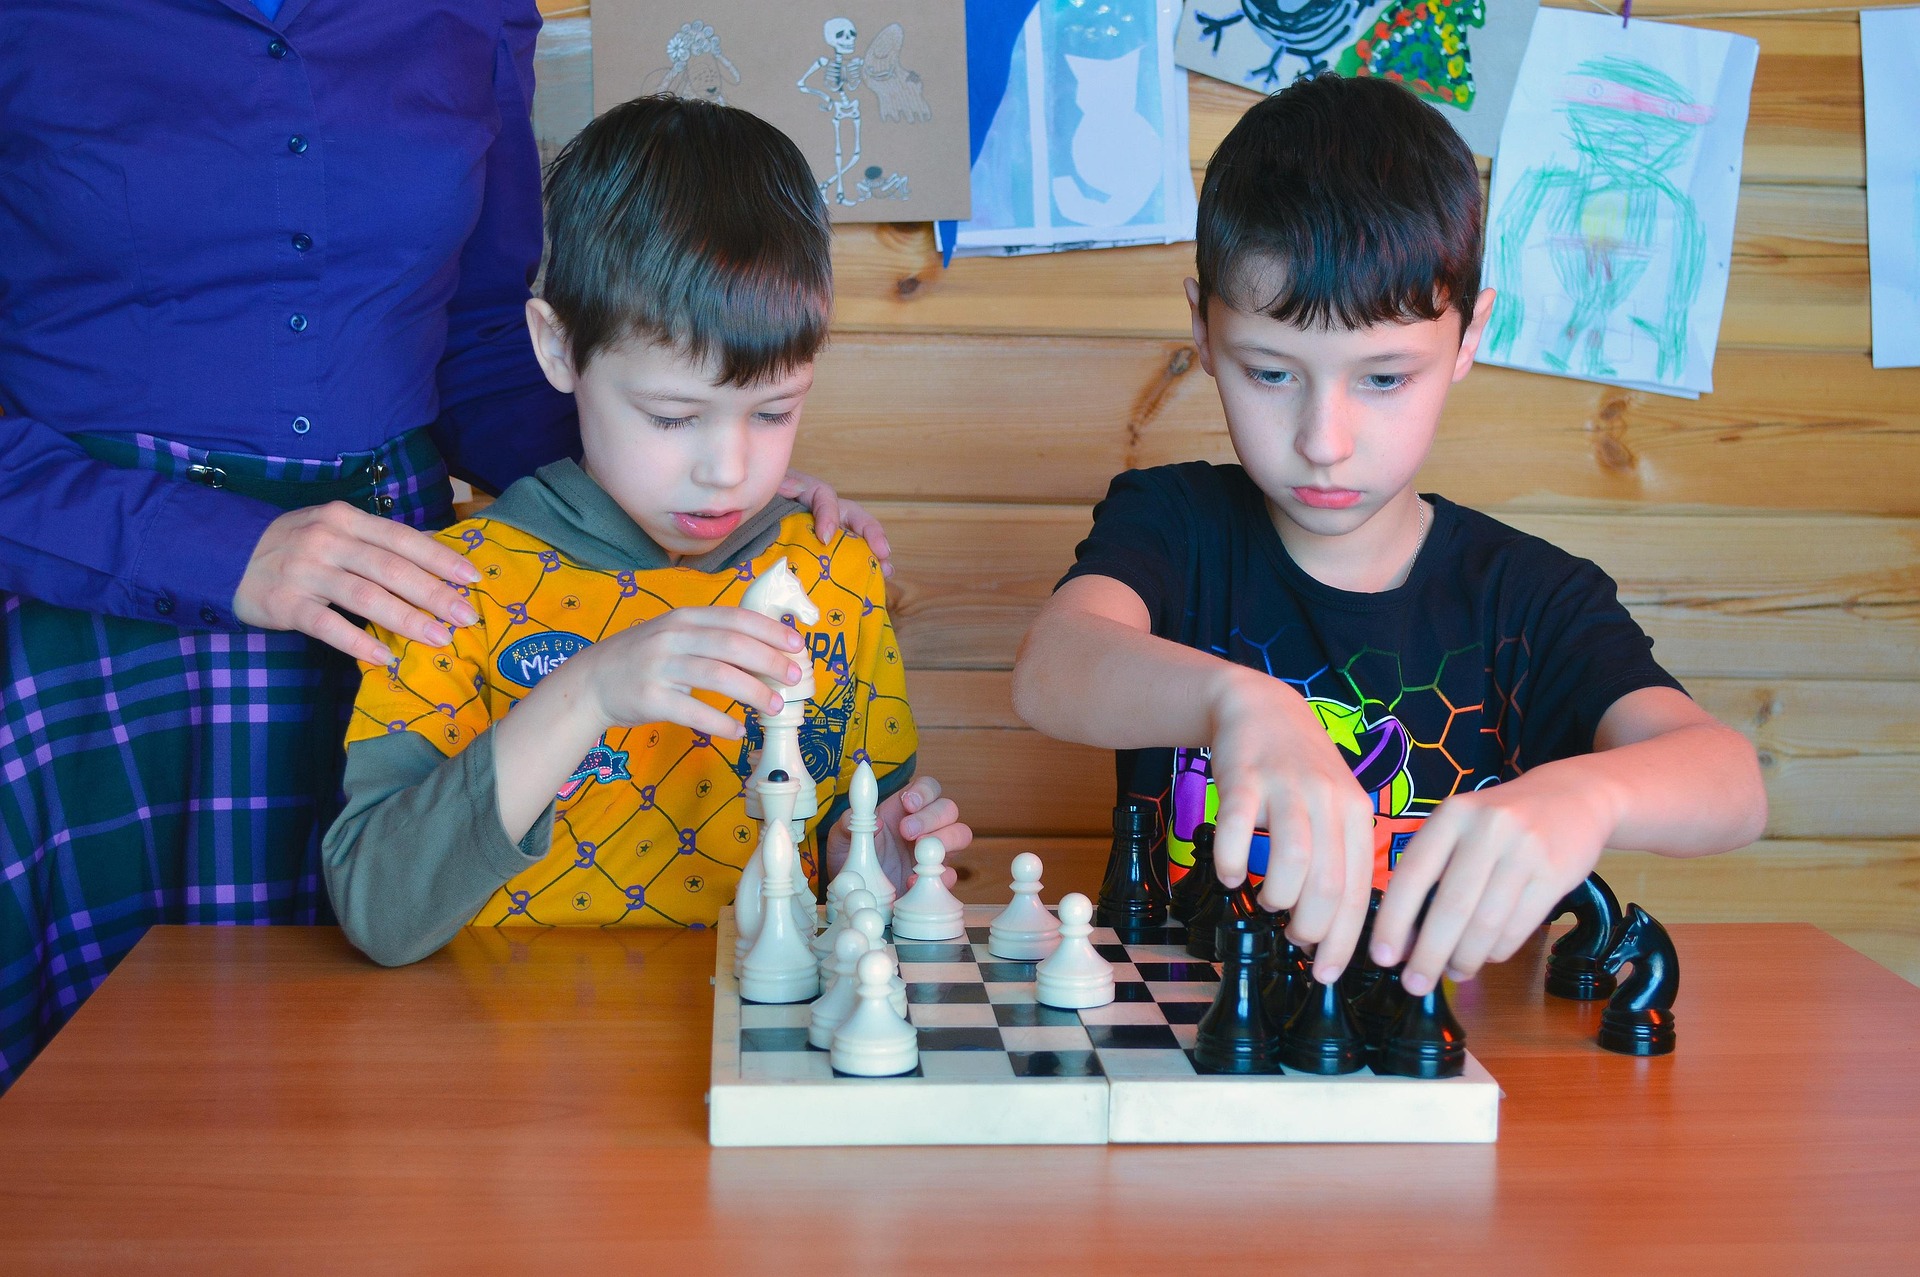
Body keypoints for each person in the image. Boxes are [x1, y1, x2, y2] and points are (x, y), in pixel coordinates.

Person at [0, 1, 883, 1091]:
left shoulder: (466, 13)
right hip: (104, 610)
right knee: (127, 1102)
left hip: (410, 594)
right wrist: (213, 549)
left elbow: (486, 346)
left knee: (379, 1085)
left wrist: (701, 494)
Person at [1011, 74, 1765, 997]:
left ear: (1468, 340)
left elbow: (1733, 784)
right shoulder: (1174, 526)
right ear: (1203, 333)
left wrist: (1589, 793)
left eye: (1383, 379)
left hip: (1416, 1069)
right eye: (1271, 372)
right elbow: (1051, 667)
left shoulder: (1528, 597)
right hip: (1172, 1049)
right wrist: (1238, 704)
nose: (1323, 441)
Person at [322, 96, 969, 965]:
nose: (728, 469)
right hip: (496, 1080)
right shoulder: (449, 587)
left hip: (767, 1068)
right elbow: (380, 910)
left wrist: (877, 867)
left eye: (775, 412)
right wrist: (587, 693)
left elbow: (857, 872)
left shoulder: (834, 572)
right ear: (557, 349)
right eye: (672, 416)